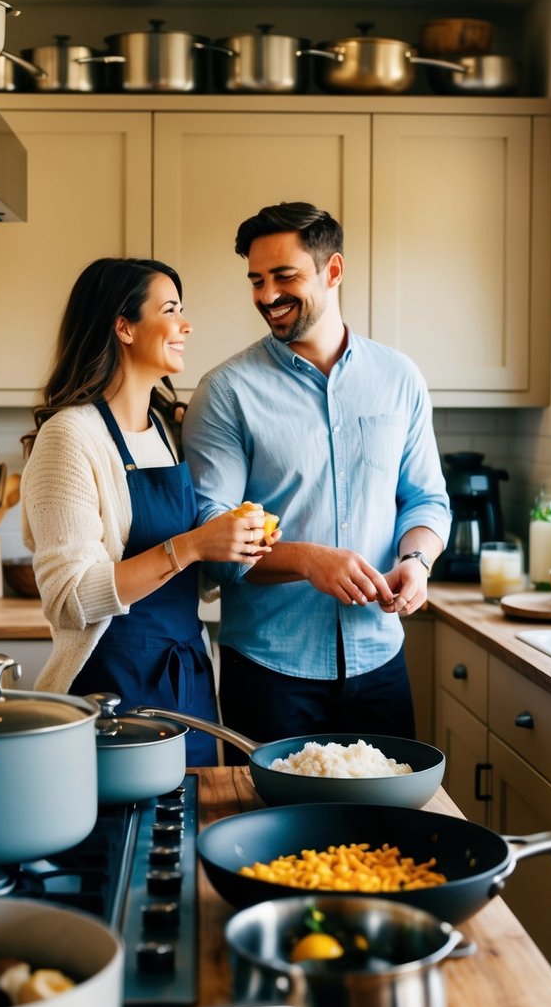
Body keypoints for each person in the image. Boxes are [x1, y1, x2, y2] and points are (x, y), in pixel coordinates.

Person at [181, 202, 451, 753]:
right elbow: (212, 538)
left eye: (285, 276)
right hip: (268, 673)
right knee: (268, 834)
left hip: (381, 662)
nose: (266, 295)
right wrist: (308, 559)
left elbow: (426, 499)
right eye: (257, 280)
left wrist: (416, 562)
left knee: (388, 832)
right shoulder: (226, 392)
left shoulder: (399, 378)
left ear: (333, 271)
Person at [20, 257, 273, 766]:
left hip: (189, 683)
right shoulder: (69, 438)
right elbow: (69, 599)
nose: (186, 325)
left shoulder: (165, 431)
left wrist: (232, 541)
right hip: (111, 690)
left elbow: (185, 579)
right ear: (123, 327)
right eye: (171, 309)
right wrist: (195, 545)